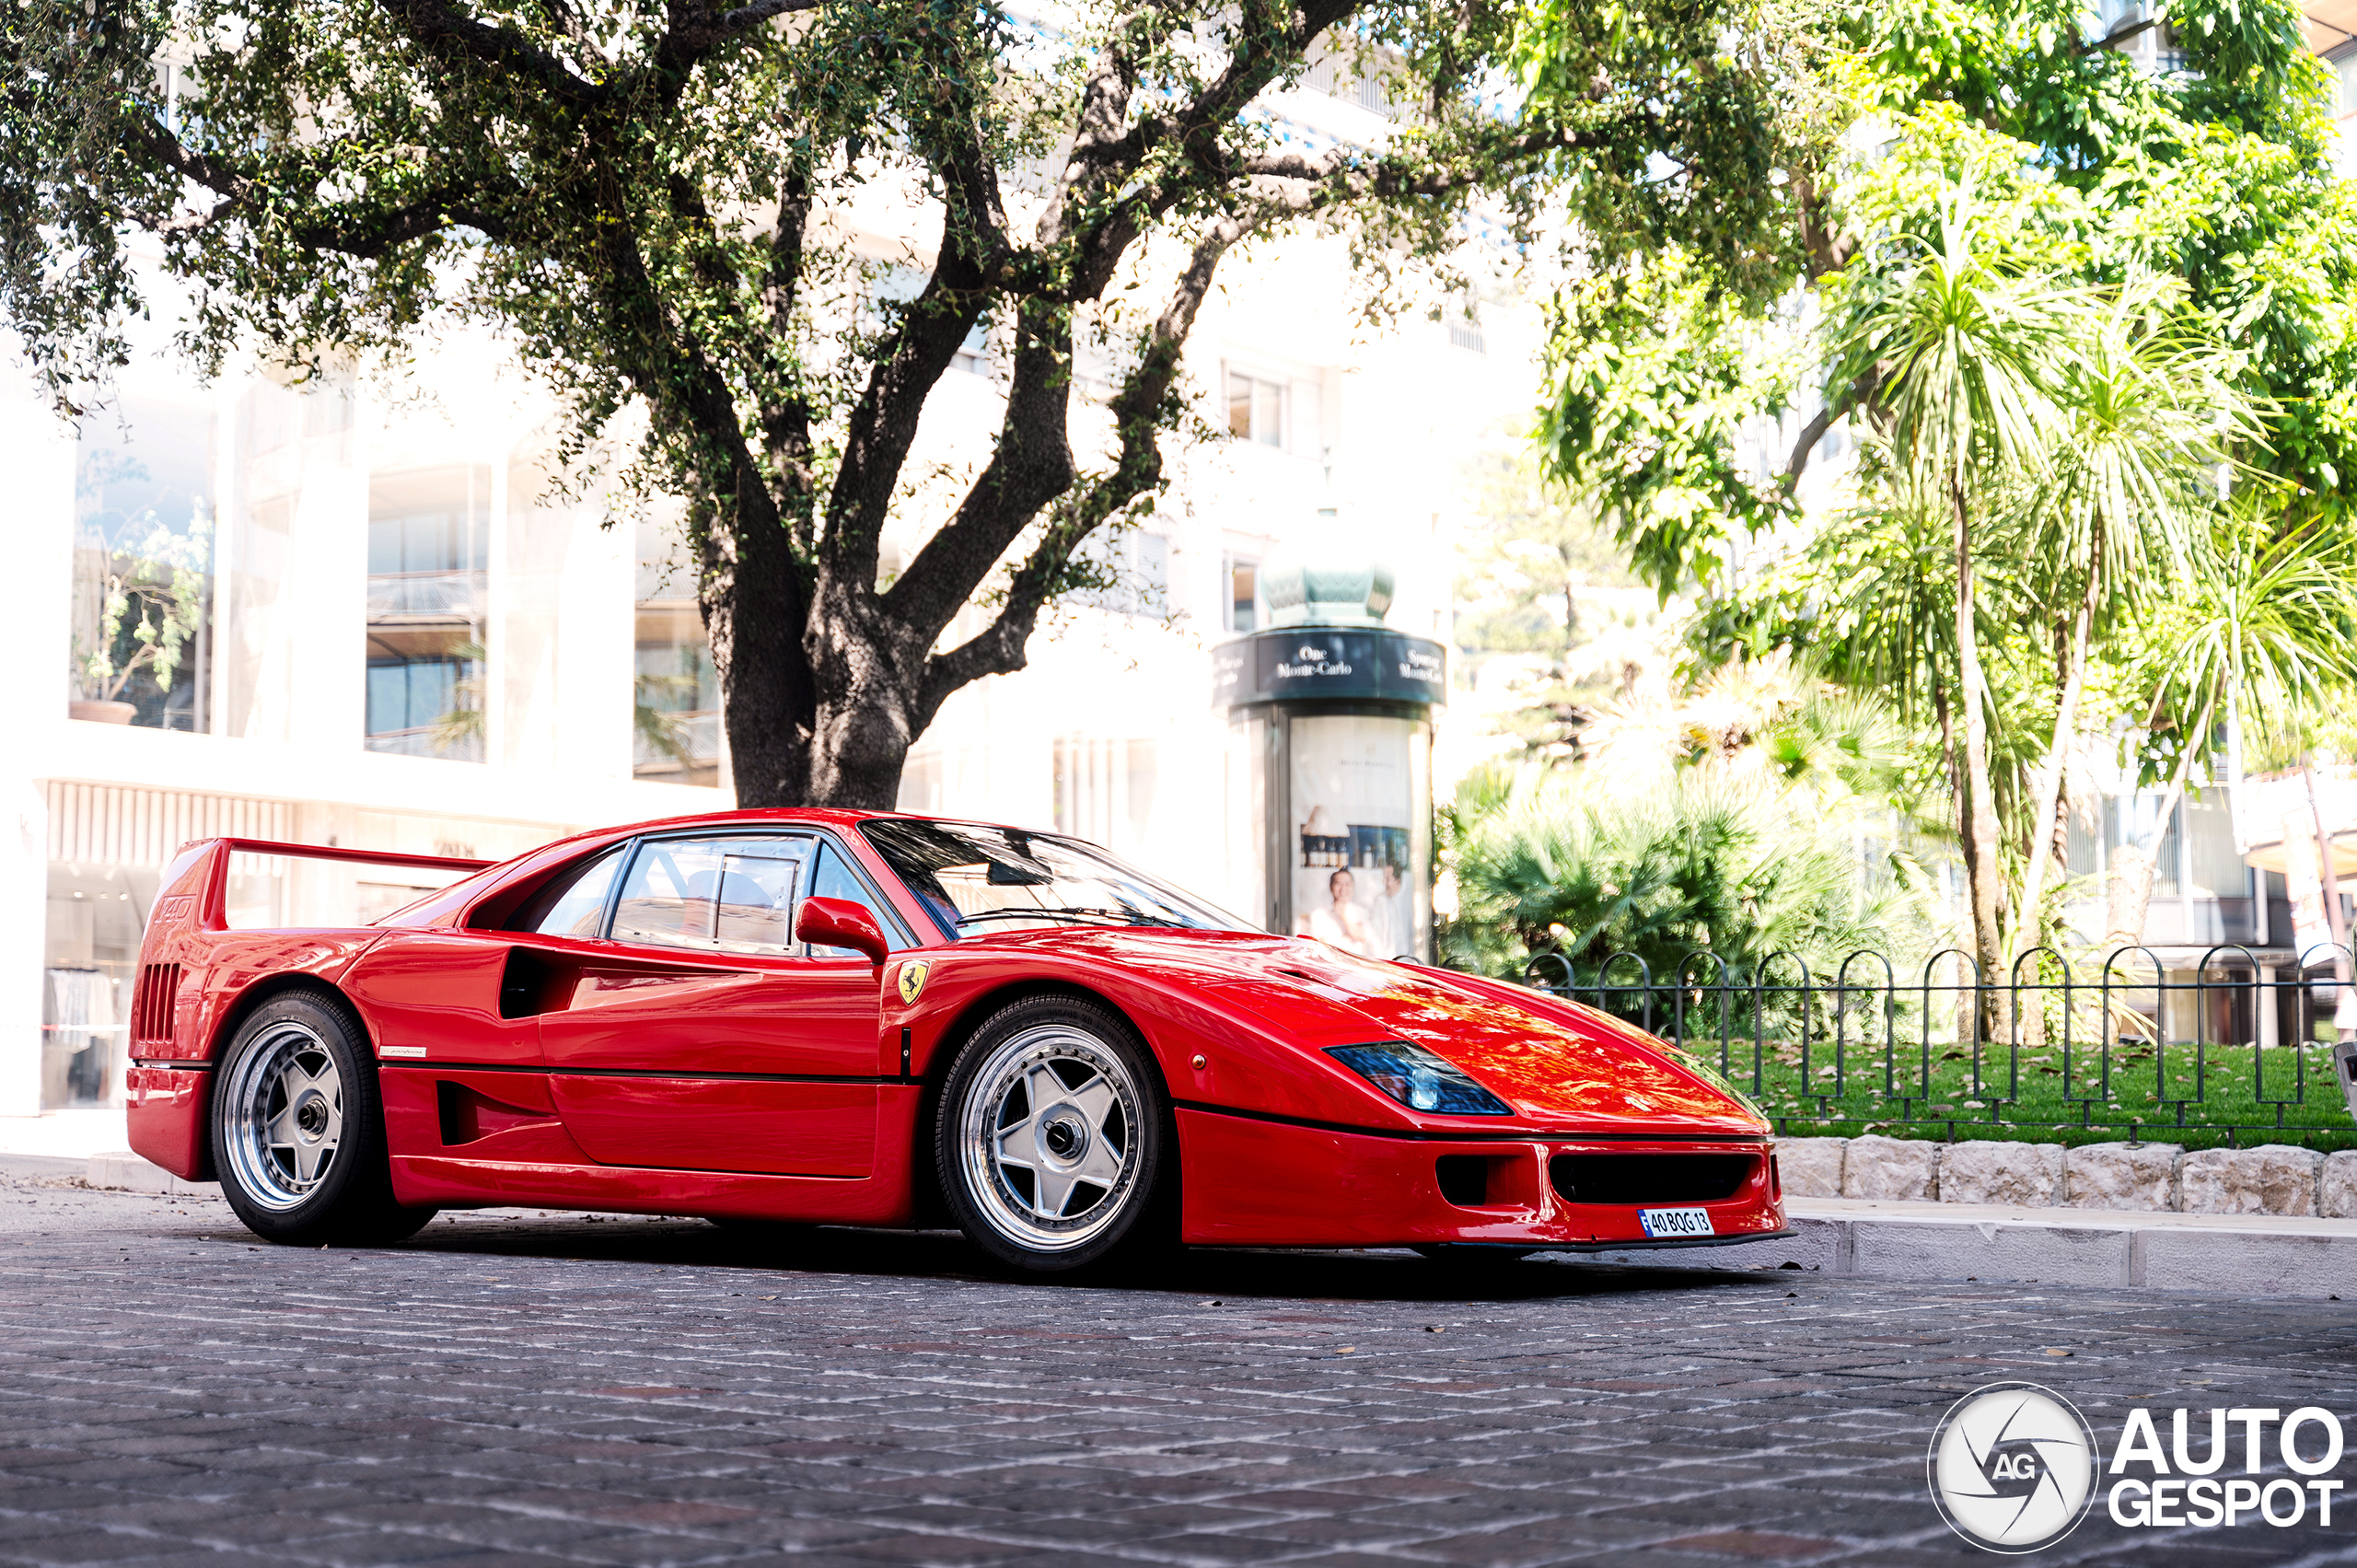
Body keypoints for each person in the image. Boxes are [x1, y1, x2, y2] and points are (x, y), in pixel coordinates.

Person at [1303, 866, 1373, 955]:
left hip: (1353, 961)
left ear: (1353, 887)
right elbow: (1319, 944)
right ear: (1331, 887)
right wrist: (1347, 939)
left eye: (1347, 884)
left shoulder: (1361, 912)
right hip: (1328, 961)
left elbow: (1362, 936)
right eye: (1338, 884)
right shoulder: (1319, 914)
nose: (1343, 889)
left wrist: (1342, 915)